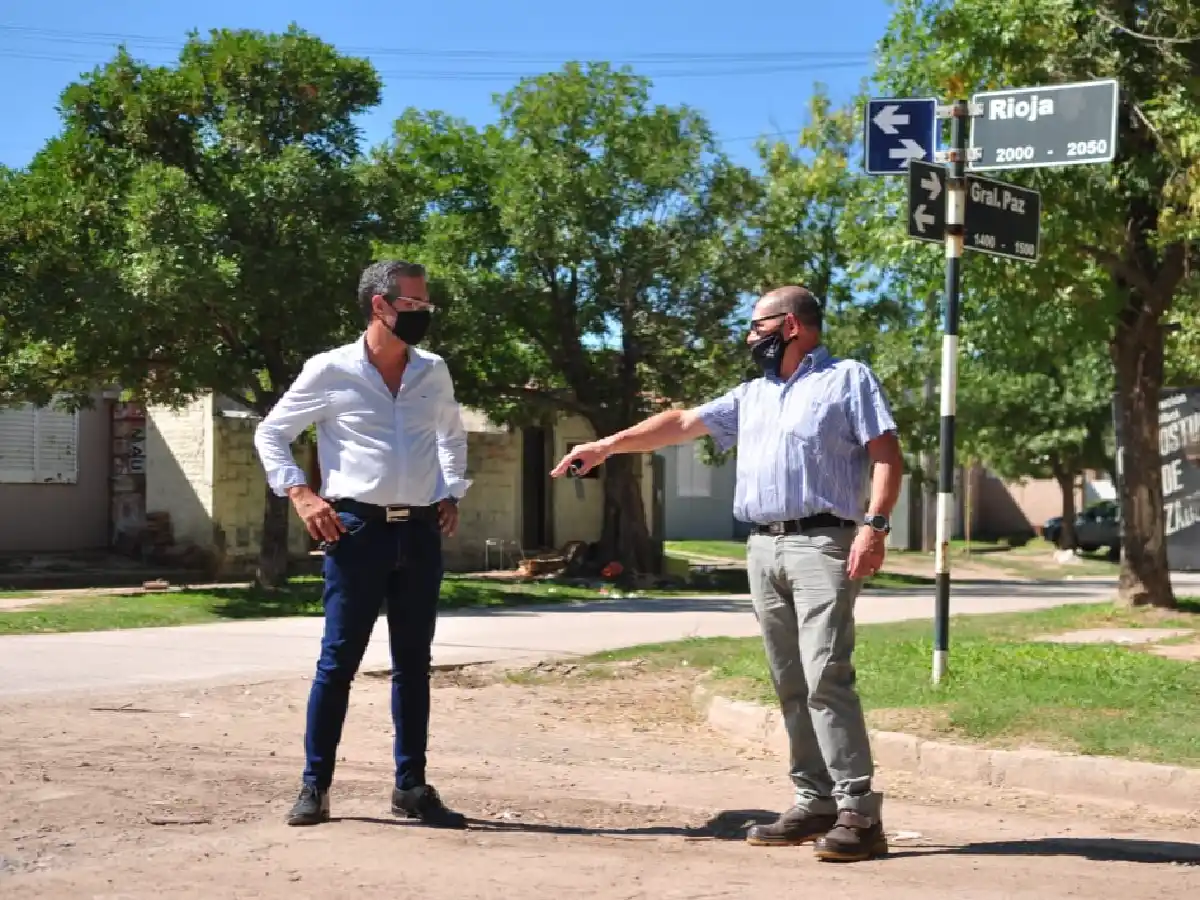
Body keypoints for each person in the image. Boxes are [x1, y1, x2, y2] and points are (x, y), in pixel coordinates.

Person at [551, 286, 902, 862]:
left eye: (755, 325)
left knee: (825, 674)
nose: (748, 337)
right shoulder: (752, 396)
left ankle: (858, 810)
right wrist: (609, 446)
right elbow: (682, 421)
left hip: (823, 542)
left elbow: (886, 453)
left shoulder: (846, 379)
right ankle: (813, 801)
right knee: (789, 679)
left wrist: (875, 526)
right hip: (764, 548)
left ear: (789, 325)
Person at [254, 259, 471, 829]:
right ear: (381, 306)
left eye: (428, 307)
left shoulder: (434, 372)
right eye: (415, 307)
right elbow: (271, 431)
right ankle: (314, 786)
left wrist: (451, 489)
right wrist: (300, 494)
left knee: (413, 666)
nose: (425, 316)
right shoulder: (330, 371)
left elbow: (450, 433)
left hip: (421, 531)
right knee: (338, 662)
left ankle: (411, 787)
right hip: (356, 530)